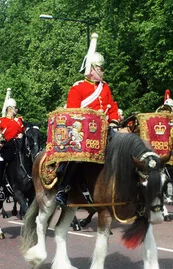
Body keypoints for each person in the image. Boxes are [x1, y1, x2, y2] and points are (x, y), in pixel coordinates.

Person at [56, 33, 119, 206]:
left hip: (105, 131)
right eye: (101, 68)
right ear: (92, 69)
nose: (103, 71)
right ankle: (64, 189)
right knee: (78, 158)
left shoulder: (105, 87)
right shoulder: (78, 88)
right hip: (84, 133)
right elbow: (72, 113)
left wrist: (113, 121)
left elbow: (112, 107)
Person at [0, 89, 25, 200]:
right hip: (6, 148)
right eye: (15, 108)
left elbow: (24, 132)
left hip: (19, 147)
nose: (17, 110)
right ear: (10, 109)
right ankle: (0, 188)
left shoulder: (20, 121)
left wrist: (22, 136)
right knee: (0, 163)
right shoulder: (2, 121)